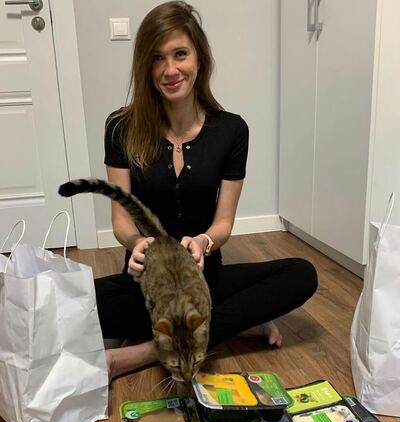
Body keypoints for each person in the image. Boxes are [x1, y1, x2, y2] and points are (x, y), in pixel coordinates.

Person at [95, 1, 318, 380]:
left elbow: (224, 223)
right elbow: (121, 221)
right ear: (145, 66)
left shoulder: (231, 130)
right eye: (157, 58)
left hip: (205, 282)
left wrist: (204, 241)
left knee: (301, 274)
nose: (170, 70)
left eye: (180, 54)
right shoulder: (121, 128)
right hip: (146, 287)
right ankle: (232, 323)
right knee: (64, 304)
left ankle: (146, 351)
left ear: (200, 58)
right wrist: (135, 243)